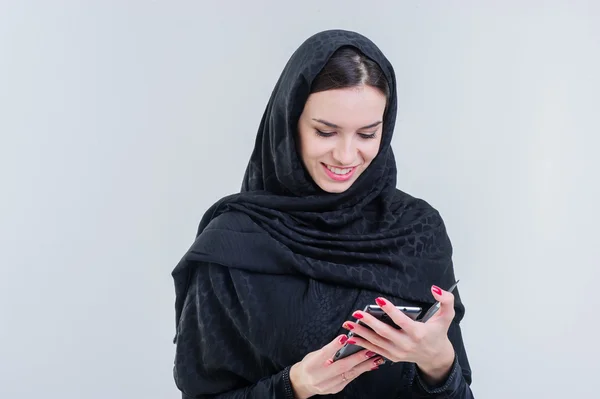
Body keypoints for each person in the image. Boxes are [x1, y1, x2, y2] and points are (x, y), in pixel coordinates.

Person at [171, 29, 474, 398]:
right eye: (326, 132)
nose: (346, 156)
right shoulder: (232, 243)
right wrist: (295, 385)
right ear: (289, 122)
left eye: (367, 134)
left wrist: (439, 362)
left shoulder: (417, 231)